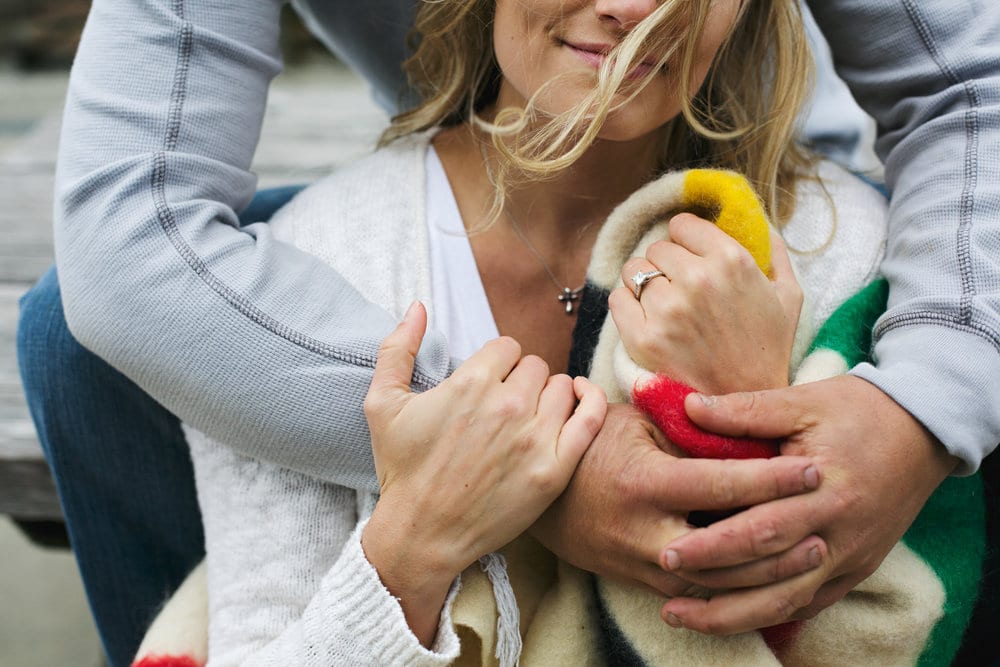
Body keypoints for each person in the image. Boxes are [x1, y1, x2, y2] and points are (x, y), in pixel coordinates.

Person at [14, 0, 998, 665]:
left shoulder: (839, 260)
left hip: (767, 187)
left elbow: (967, 84)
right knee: (80, 335)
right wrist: (450, 507)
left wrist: (840, 418)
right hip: (439, 185)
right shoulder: (329, 263)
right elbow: (130, 234)